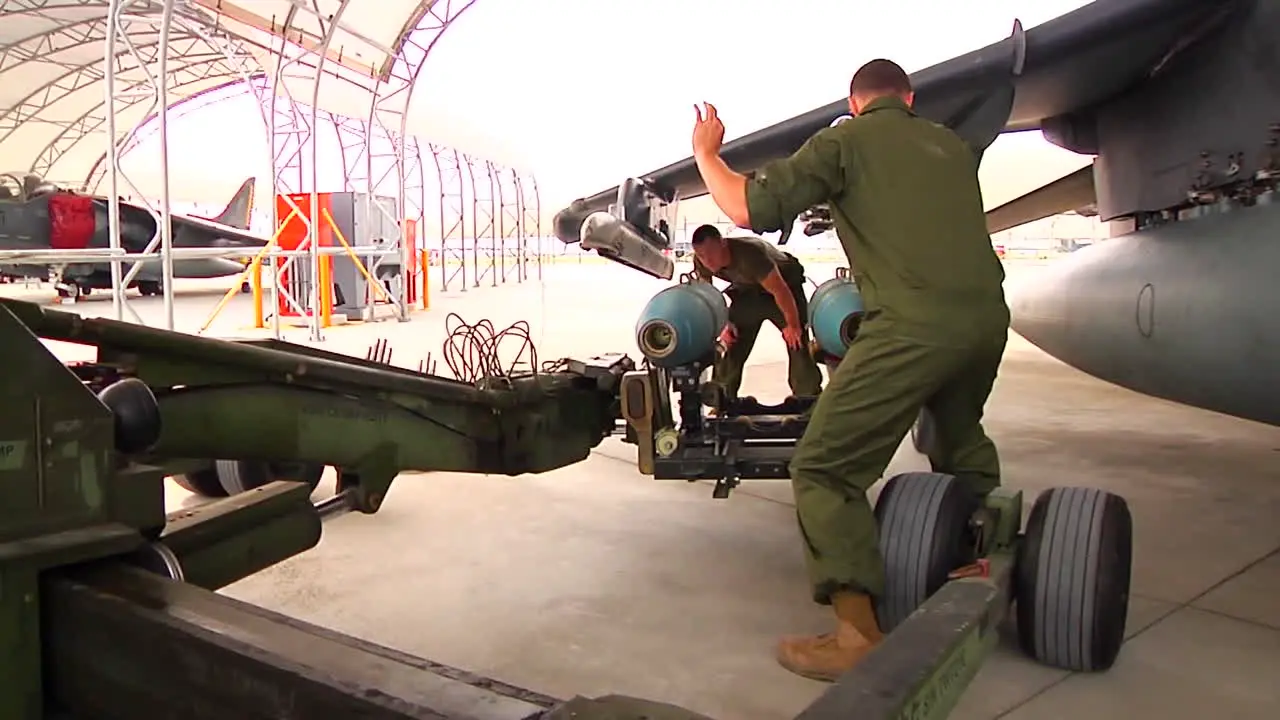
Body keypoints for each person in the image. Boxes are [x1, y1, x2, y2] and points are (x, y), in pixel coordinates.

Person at [688, 59, 1010, 681]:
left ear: (854, 102)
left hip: (911, 324)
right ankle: (982, 556)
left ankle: (856, 633)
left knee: (823, 468)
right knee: (956, 433)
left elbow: (745, 208)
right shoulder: (948, 143)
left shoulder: (846, 140)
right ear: (909, 98)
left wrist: (708, 155)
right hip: (984, 320)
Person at [689, 224, 824, 400]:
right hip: (748, 292)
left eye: (711, 253)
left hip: (784, 289)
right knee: (732, 340)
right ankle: (720, 398)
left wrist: (792, 325)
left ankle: (807, 398)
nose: (708, 260)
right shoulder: (702, 260)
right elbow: (708, 296)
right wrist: (723, 325)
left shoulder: (751, 255)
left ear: (723, 243)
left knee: (796, 341)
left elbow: (780, 291)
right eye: (702, 256)